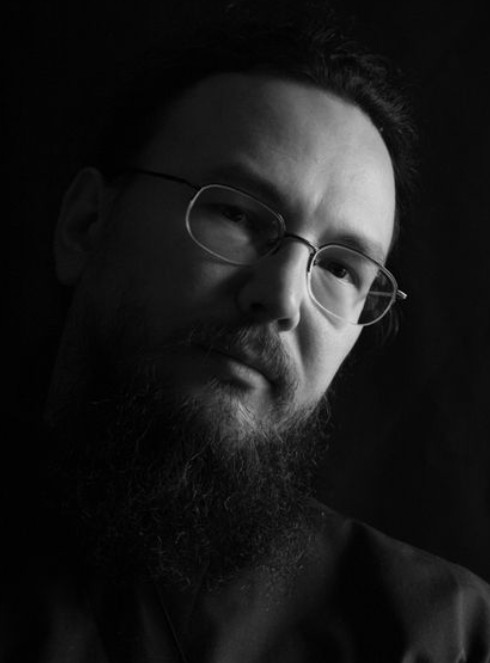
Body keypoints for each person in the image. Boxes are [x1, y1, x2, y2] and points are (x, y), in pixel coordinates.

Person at [3, 1, 490, 661]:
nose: (282, 298)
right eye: (235, 214)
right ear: (86, 225)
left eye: (341, 269)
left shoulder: (443, 636)